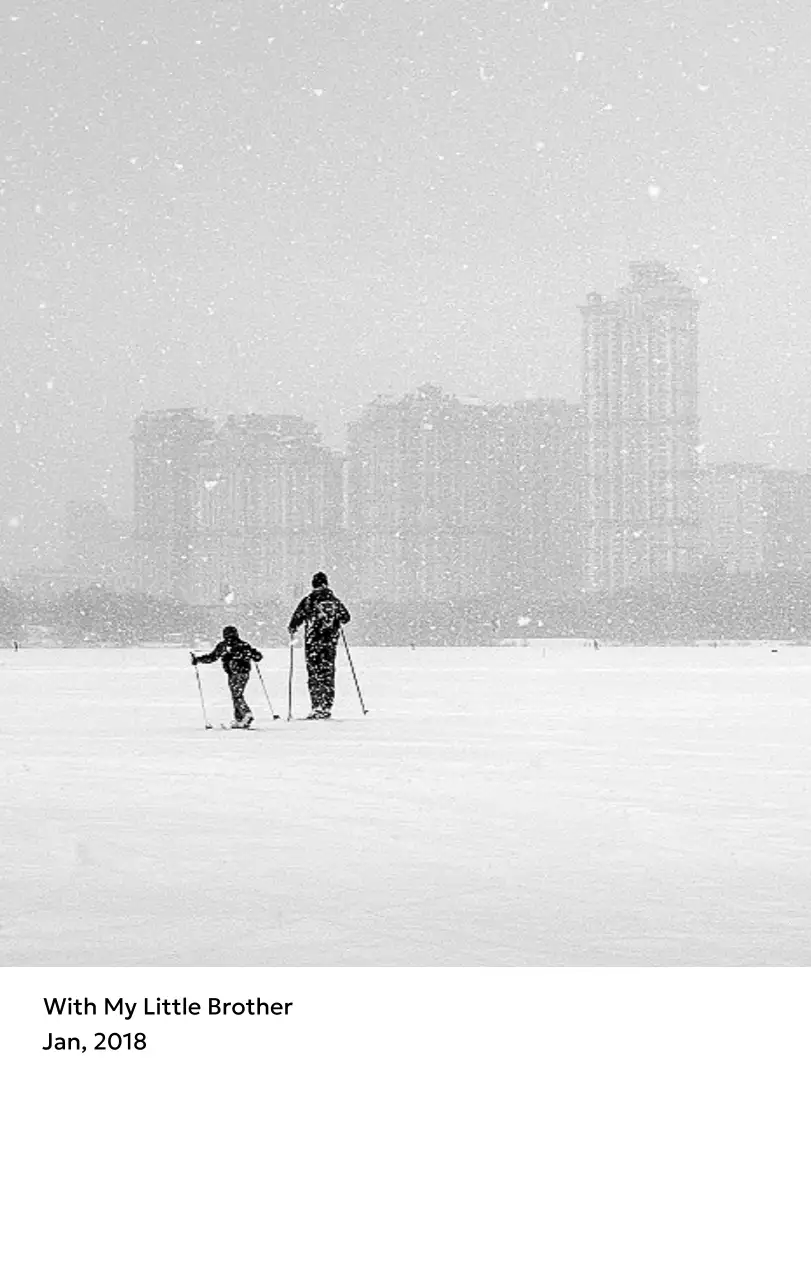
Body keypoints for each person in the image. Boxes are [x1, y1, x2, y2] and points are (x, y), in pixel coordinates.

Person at [288, 573, 351, 719]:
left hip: (313, 643)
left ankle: (317, 706)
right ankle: (327, 706)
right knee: (328, 674)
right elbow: (346, 617)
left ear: (313, 584)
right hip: (330, 643)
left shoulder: (309, 600)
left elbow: (297, 618)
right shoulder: (334, 601)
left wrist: (293, 627)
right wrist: (335, 621)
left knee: (314, 674)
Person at [191, 625, 263, 728]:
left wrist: (198, 660)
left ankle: (246, 714)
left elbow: (212, 657)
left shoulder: (224, 646)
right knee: (237, 694)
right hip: (244, 673)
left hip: (234, 673)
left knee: (236, 695)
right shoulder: (243, 645)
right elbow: (257, 656)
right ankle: (239, 719)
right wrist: (251, 655)